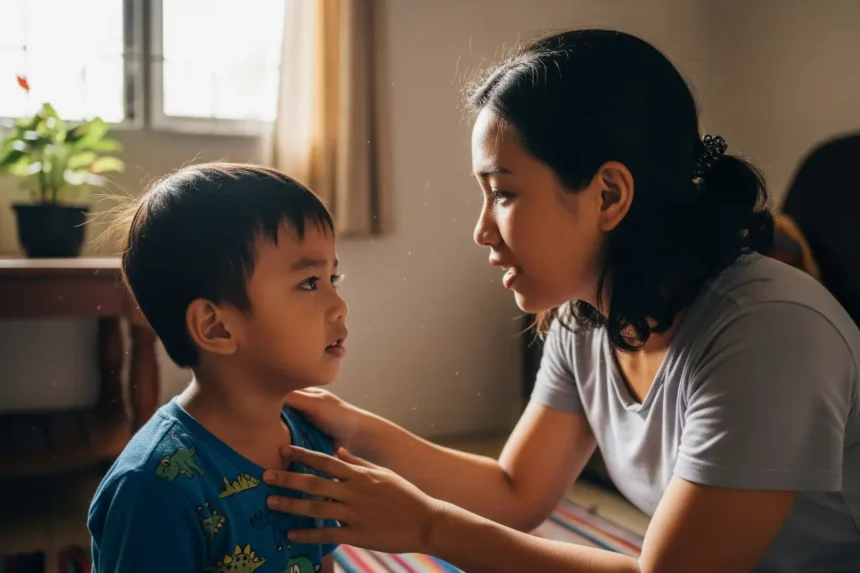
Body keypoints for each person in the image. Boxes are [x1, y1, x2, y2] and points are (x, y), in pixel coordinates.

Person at [260, 29, 860, 573]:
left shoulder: (768, 333)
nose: (482, 231)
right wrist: (353, 428)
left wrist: (426, 526)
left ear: (608, 195)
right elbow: (515, 490)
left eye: (502, 194)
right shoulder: (587, 317)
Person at [87, 163, 347, 573]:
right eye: (310, 283)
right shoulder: (153, 488)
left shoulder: (313, 437)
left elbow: (321, 559)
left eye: (335, 277)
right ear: (216, 326)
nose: (340, 306)